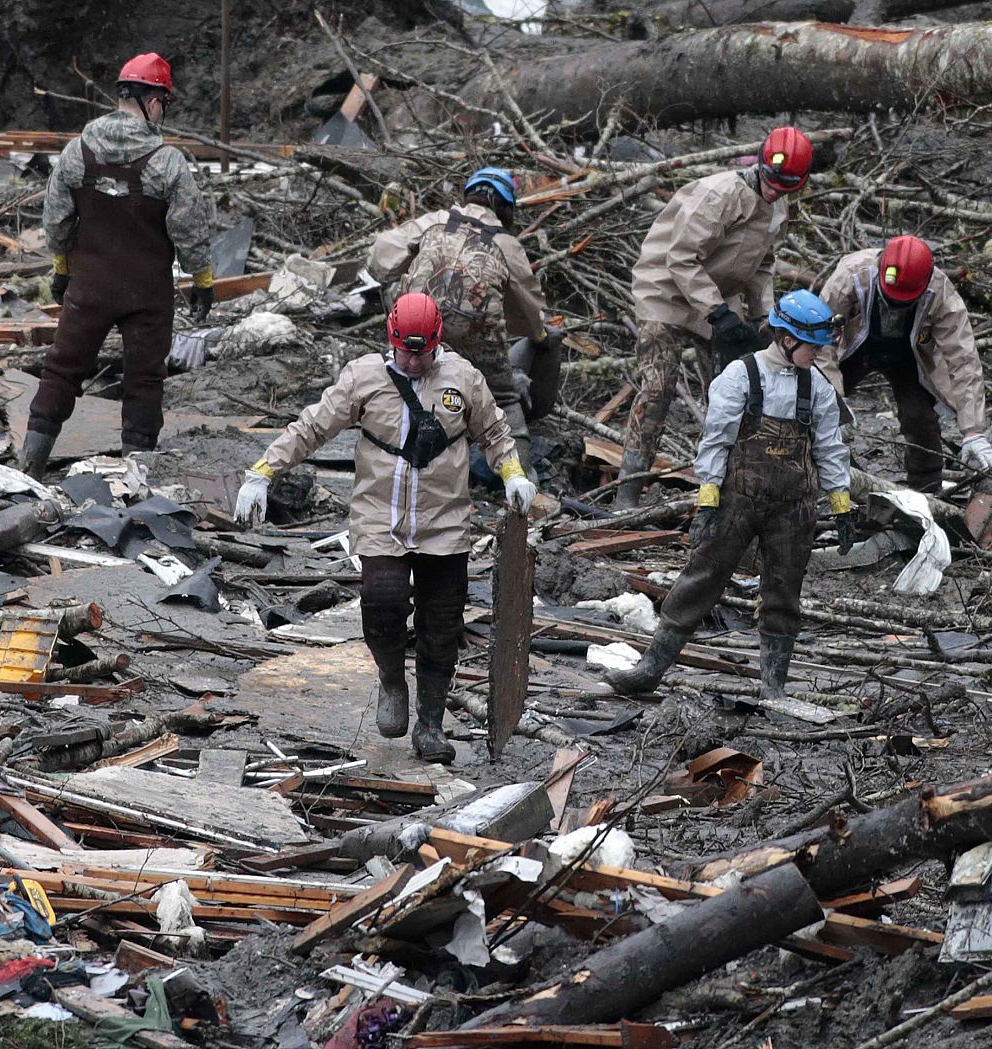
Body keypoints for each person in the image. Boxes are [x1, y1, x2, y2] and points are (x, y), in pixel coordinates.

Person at [232, 293, 537, 763]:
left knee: (442, 622)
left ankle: (431, 723)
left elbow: (495, 433)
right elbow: (311, 427)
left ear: (437, 343)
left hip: (444, 524)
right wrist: (262, 473)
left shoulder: (464, 380)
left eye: (422, 352)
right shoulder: (364, 378)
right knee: (383, 602)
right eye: (405, 351)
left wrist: (514, 473)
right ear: (391, 341)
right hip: (380, 520)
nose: (413, 361)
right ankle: (392, 679)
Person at [606, 290, 854, 704]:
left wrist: (842, 507)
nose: (818, 354)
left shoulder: (820, 390)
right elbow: (716, 443)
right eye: (812, 346)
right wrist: (707, 502)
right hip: (735, 500)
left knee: (784, 591)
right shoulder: (741, 376)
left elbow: (830, 450)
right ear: (787, 339)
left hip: (793, 509)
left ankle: (773, 687)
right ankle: (649, 670)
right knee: (700, 580)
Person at [21, 53, 215, 477]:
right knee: (144, 381)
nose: (164, 112)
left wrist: (61, 267)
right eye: (164, 101)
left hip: (89, 287)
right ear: (151, 99)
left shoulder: (78, 152)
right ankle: (137, 475)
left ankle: (29, 466)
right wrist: (202, 279)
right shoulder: (168, 163)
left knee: (62, 368)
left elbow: (55, 218)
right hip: (148, 295)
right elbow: (189, 229)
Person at [614, 127, 813, 509]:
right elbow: (681, 258)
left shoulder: (779, 207)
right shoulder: (720, 195)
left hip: (718, 296)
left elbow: (762, 265)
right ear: (759, 166)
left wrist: (762, 319)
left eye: (785, 185)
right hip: (666, 291)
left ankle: (723, 484)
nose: (775, 190)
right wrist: (717, 312)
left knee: (730, 391)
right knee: (658, 388)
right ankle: (628, 491)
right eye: (771, 181)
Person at [366, 166, 558, 477]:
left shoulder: (436, 221)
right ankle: (516, 477)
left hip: (420, 325)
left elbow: (381, 254)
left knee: (408, 379)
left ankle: (392, 443)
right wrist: (537, 336)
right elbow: (530, 308)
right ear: (507, 208)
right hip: (476, 332)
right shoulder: (506, 244)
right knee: (504, 399)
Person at [817, 235, 992, 492]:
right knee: (819, 406)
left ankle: (928, 487)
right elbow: (819, 339)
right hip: (856, 347)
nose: (896, 306)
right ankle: (824, 473)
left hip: (908, 354)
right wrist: (832, 399)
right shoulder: (852, 275)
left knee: (921, 417)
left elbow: (963, 359)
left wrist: (974, 431)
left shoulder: (941, 292)